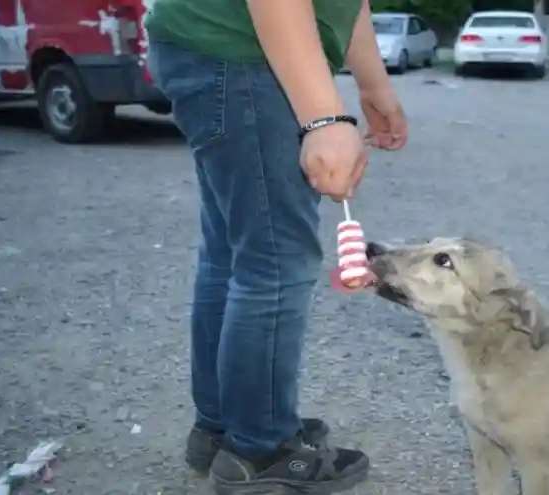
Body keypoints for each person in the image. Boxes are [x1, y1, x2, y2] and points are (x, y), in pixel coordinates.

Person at [143, 0, 409, 493]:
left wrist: (374, 84)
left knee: (232, 254)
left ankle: (223, 428)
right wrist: (325, 119)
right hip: (245, 55)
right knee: (276, 263)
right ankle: (259, 450)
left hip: (217, 48)